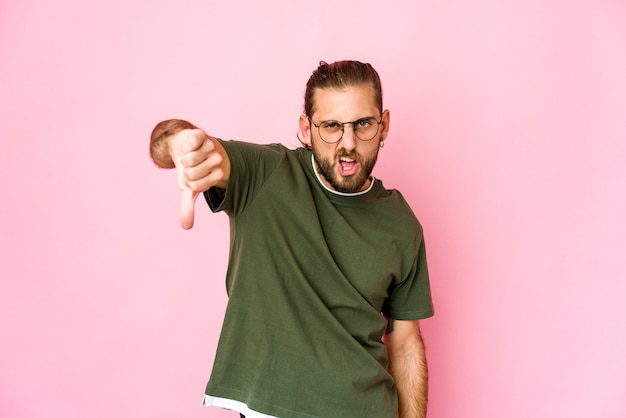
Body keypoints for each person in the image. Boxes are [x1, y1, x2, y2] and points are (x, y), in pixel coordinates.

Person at [150, 60, 434, 418]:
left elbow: (406, 344)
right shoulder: (266, 174)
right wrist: (178, 143)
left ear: (384, 125)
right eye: (331, 126)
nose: (348, 143)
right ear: (306, 128)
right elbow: (183, 147)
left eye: (363, 124)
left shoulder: (402, 223)